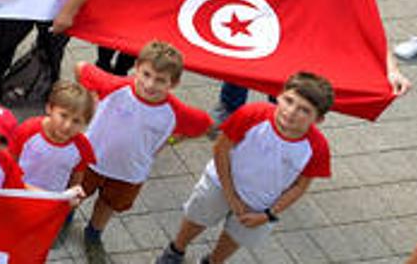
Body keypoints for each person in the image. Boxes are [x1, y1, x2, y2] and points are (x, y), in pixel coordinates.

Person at [155, 73, 334, 264]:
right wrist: (230, 194)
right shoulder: (253, 114)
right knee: (197, 217)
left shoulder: (317, 147)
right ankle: (176, 250)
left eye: (304, 110)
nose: (291, 112)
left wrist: (269, 214)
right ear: (279, 96)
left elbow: (300, 186)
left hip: (260, 204)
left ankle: (213, 261)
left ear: (318, 119)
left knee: (235, 238)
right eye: (289, 101)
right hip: (220, 183)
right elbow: (221, 149)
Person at [75, 43, 213, 261]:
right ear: (136, 68)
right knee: (75, 194)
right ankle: (63, 218)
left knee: (108, 204)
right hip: (89, 160)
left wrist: (170, 140)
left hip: (130, 172)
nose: (150, 84)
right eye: (146, 74)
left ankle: (93, 232)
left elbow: (203, 125)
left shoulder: (176, 111)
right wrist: (89, 107)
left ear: (173, 83)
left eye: (160, 80)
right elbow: (81, 68)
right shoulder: (114, 85)